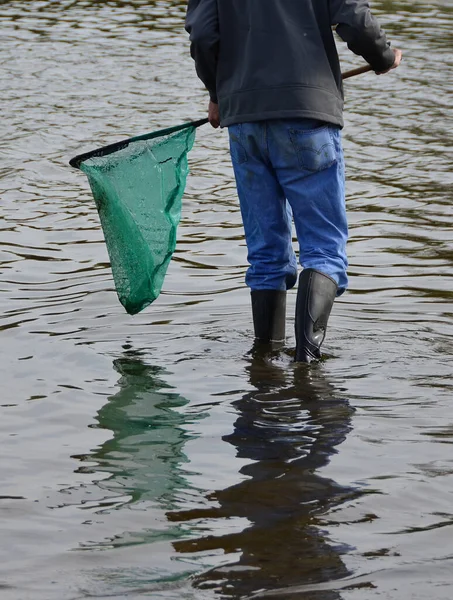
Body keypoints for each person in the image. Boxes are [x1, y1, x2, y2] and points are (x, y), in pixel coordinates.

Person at [185, 0, 402, 362]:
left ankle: (264, 364)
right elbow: (352, 16)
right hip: (308, 113)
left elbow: (204, 34)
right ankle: (307, 364)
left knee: (266, 254)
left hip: (245, 119)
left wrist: (217, 92)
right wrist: (382, 56)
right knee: (323, 248)